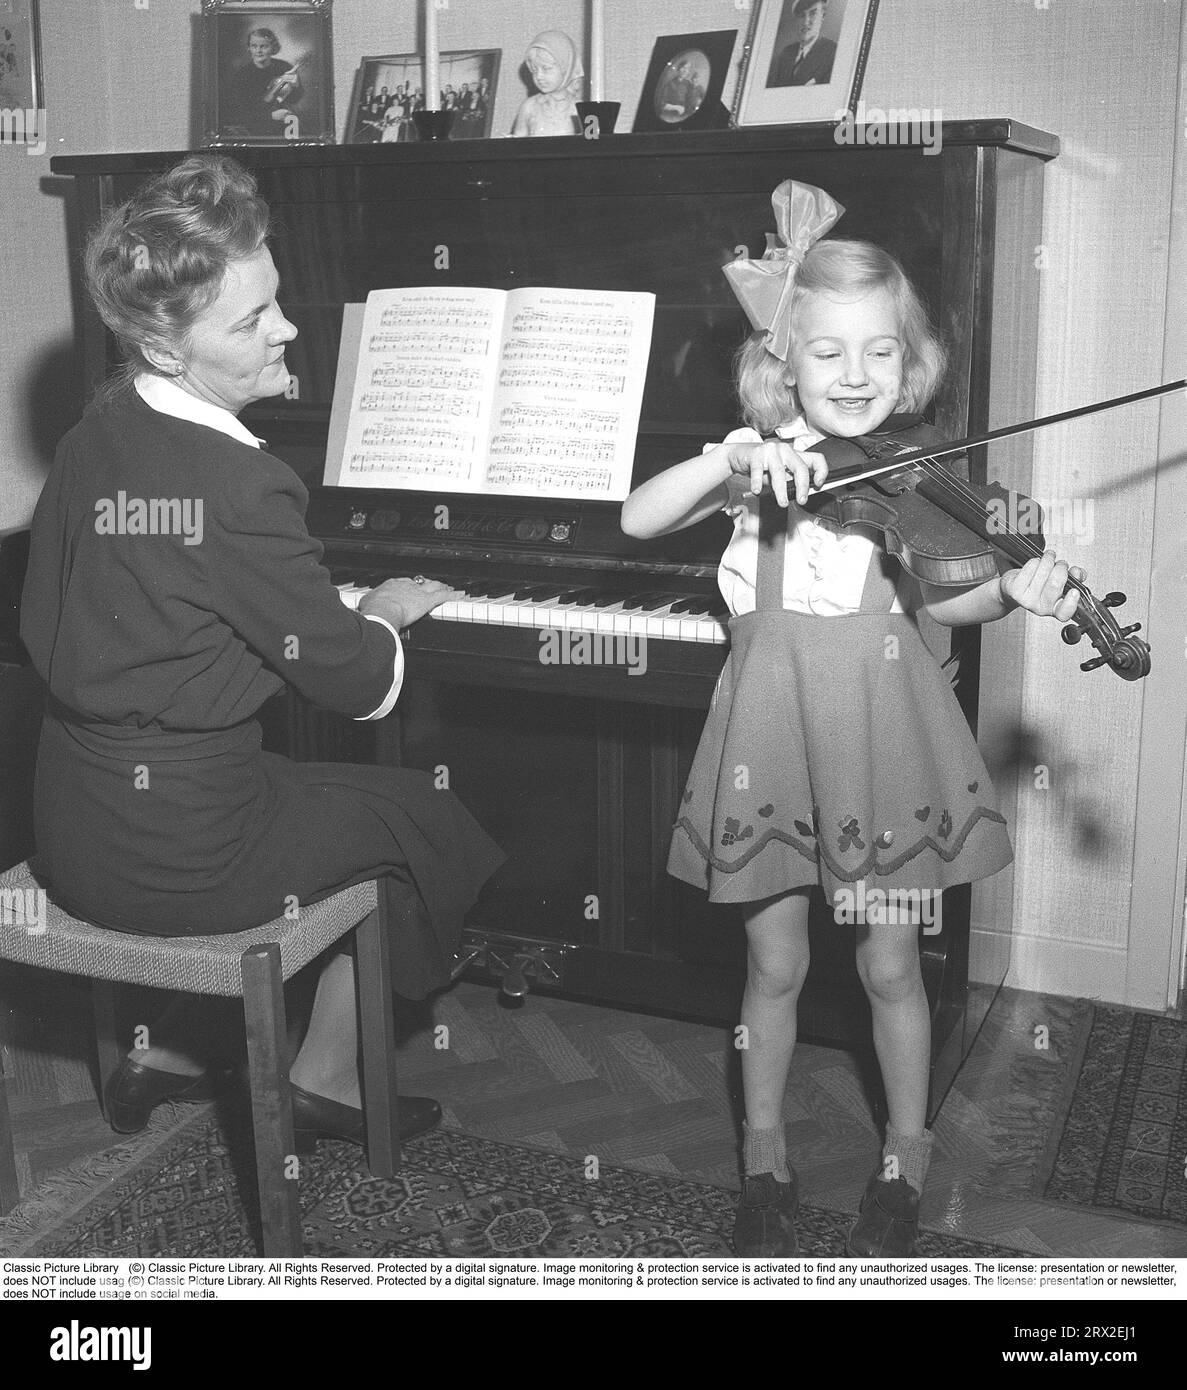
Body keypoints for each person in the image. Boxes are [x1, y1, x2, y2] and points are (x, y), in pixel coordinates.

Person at [620, 180, 1083, 1258]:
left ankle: (904, 1152)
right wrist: (727, 456)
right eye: (826, 354)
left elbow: (949, 595)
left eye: (880, 353)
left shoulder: (911, 481)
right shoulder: (753, 470)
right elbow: (635, 517)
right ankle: (764, 1154)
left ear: (908, 360)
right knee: (772, 968)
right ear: (783, 364)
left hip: (881, 753)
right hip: (770, 754)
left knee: (886, 967)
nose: (856, 378)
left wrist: (1012, 591)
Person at [20, 155, 504, 1148]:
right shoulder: (243, 485)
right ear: (161, 338)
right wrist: (377, 613)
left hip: (70, 820)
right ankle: (326, 1076)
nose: (286, 330)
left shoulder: (94, 430)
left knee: (303, 783)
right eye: (250, 322)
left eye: (277, 298)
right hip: (182, 851)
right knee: (422, 818)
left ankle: (178, 1048)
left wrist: (294, 603)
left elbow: (111, 606)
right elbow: (362, 685)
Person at [222, 27, 302, 139]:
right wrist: (271, 116)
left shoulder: (284, 67)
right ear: (249, 48)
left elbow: (295, 99)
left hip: (284, 127)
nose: (258, 51)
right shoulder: (241, 75)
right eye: (254, 46)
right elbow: (237, 114)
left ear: (273, 48)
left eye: (264, 46)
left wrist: (295, 86)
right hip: (254, 130)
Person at [511, 30, 582, 137]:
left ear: (566, 69)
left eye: (546, 68)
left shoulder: (583, 109)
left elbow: (594, 144)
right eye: (534, 70)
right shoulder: (529, 107)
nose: (539, 76)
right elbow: (516, 146)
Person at [770, 0, 837, 87]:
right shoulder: (786, 53)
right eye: (802, 15)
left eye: (813, 13)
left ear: (823, 16)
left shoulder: (833, 53)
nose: (806, 22)